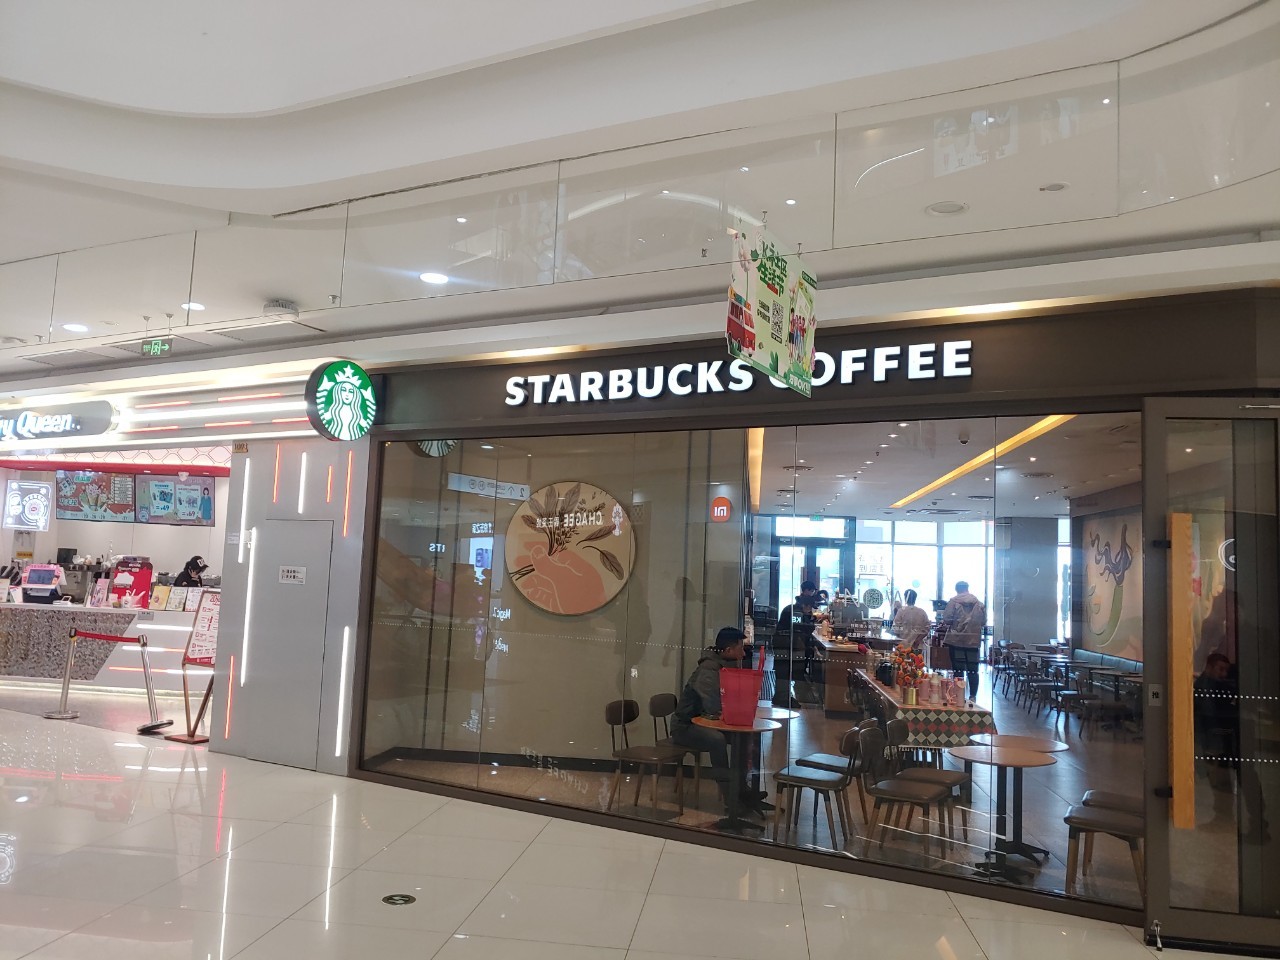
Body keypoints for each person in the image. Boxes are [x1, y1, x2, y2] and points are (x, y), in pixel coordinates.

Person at [670, 627, 771, 819]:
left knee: (744, 736)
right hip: (685, 727)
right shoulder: (709, 670)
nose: (744, 653)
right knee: (717, 740)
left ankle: (743, 791)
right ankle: (731, 799)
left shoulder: (722, 665)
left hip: (701, 723)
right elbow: (713, 706)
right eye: (740, 648)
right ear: (728, 650)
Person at [771, 582, 820, 708]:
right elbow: (800, 627)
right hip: (785, 645)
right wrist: (811, 623)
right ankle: (782, 698)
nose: (810, 610)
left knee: (785, 671)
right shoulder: (795, 612)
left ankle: (782, 696)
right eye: (810, 608)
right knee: (785, 671)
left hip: (787, 644)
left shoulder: (793, 609)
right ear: (805, 605)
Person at [942, 580, 986, 703]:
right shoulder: (979, 603)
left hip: (956, 640)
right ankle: (973, 696)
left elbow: (947, 619)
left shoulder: (953, 602)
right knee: (973, 670)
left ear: (957, 589)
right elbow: (983, 621)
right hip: (973, 640)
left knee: (958, 669)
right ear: (967, 588)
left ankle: (958, 695)